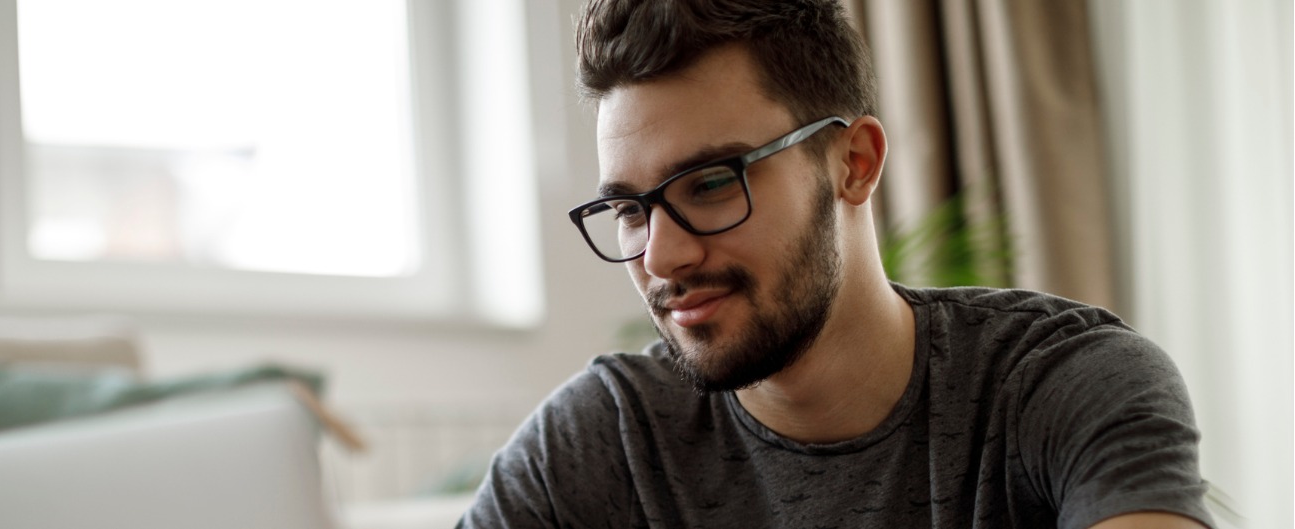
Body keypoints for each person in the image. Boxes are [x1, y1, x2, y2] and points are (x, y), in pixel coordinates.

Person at [458, 0, 1214, 527]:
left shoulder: (1061, 384)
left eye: (713, 183)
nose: (663, 254)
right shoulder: (602, 439)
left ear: (854, 163)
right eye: (630, 208)